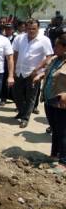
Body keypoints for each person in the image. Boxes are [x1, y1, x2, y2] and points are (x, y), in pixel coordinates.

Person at [33, 34, 66, 172]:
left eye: (57, 46)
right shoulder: (54, 59)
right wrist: (40, 76)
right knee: (55, 130)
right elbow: (49, 72)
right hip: (49, 100)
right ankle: (54, 155)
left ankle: (63, 162)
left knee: (63, 131)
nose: (54, 48)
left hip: (62, 103)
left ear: (65, 48)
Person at [12, 19, 53, 128]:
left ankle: (25, 118)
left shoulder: (44, 40)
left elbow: (49, 57)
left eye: (34, 29)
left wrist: (37, 69)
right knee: (16, 94)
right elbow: (15, 54)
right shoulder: (19, 38)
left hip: (34, 74)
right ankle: (22, 111)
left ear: (38, 29)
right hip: (19, 71)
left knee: (31, 97)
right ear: (25, 28)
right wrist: (13, 70)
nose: (31, 31)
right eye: (29, 28)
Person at [0, 23, 17, 106]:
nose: (8, 31)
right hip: (3, 62)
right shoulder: (1, 39)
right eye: (6, 29)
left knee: (12, 80)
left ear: (13, 30)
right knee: (4, 81)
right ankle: (3, 98)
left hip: (13, 62)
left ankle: (13, 97)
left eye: (9, 29)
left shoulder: (16, 39)